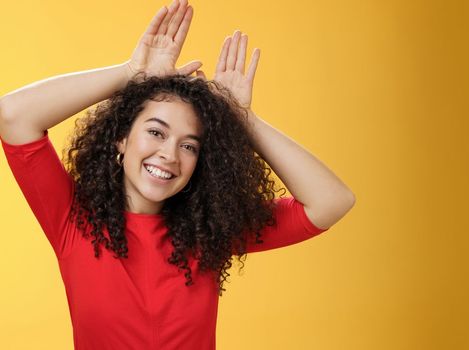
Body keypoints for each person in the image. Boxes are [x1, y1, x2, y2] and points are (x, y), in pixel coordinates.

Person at [0, 0, 355, 349]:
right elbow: (12, 115)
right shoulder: (73, 220)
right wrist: (130, 74)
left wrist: (242, 120)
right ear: (121, 137)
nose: (169, 155)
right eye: (156, 132)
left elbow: (331, 201)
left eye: (189, 146)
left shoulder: (211, 231)